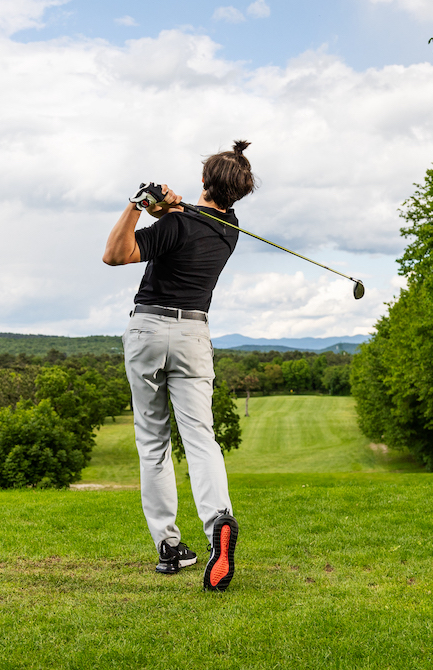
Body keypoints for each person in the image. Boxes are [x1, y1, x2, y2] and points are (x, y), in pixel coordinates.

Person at [101, 140, 257, 592]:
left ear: (205, 181)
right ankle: (218, 523)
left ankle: (169, 547)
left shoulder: (180, 223)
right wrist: (168, 205)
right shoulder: (230, 228)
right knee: (201, 438)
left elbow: (116, 254)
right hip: (194, 335)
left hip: (149, 329)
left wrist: (135, 205)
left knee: (154, 442)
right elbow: (182, 220)